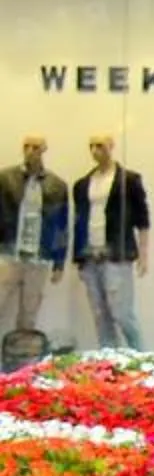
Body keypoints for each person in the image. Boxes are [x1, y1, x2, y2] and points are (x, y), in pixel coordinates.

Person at [70, 134, 150, 353]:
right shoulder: (82, 185)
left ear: (111, 147)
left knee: (122, 312)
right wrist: (78, 255)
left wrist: (143, 253)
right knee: (99, 313)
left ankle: (140, 355)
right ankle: (109, 361)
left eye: (100, 146)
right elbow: (78, 220)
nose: (95, 150)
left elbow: (142, 218)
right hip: (90, 254)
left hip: (117, 253)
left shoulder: (128, 180)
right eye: (92, 146)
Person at [0, 137, 70, 344]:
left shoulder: (57, 185)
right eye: (26, 147)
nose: (30, 151)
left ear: (44, 151)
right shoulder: (6, 178)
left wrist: (59, 261)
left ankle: (19, 366)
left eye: (36, 147)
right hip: (8, 252)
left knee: (29, 314)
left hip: (39, 257)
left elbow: (61, 225)